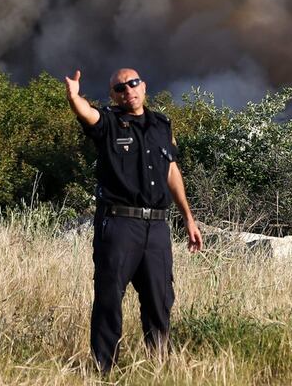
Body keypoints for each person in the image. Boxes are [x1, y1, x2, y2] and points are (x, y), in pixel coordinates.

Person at [65, 68, 203, 374]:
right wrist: (75, 97)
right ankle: (105, 370)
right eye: (120, 87)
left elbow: (171, 172)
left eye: (133, 83)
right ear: (113, 95)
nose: (128, 90)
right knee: (109, 297)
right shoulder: (109, 123)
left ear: (144, 85)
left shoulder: (162, 125)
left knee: (160, 298)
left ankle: (159, 366)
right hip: (118, 225)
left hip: (157, 227)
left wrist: (188, 218)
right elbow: (88, 114)